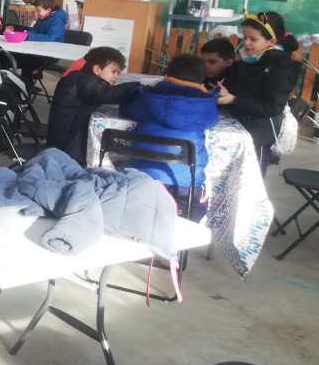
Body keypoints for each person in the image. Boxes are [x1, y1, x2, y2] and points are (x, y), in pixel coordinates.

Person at [120, 54, 219, 219]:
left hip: (143, 178)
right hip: (186, 185)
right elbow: (212, 121)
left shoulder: (148, 96)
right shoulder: (207, 104)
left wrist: (138, 91)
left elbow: (126, 109)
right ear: (202, 79)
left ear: (167, 73)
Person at [217, 12, 301, 175]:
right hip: (240, 127)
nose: (246, 43)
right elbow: (239, 87)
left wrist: (234, 99)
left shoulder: (281, 67)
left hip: (258, 137)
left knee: (248, 181)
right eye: (245, 37)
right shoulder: (251, 59)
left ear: (271, 41)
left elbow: (271, 107)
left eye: (253, 39)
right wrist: (226, 90)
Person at [47, 46, 141, 163]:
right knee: (68, 164)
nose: (116, 77)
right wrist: (135, 88)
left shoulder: (80, 77)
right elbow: (105, 94)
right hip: (68, 140)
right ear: (97, 69)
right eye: (113, 72)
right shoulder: (84, 80)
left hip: (65, 135)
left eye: (118, 73)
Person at [8, 0, 68, 87]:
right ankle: (26, 83)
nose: (36, 12)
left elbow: (50, 38)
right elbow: (35, 30)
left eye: (38, 10)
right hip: (39, 49)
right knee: (18, 56)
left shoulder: (58, 20)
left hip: (51, 53)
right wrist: (24, 34)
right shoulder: (44, 16)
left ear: (49, 10)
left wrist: (28, 36)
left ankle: (27, 85)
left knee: (28, 60)